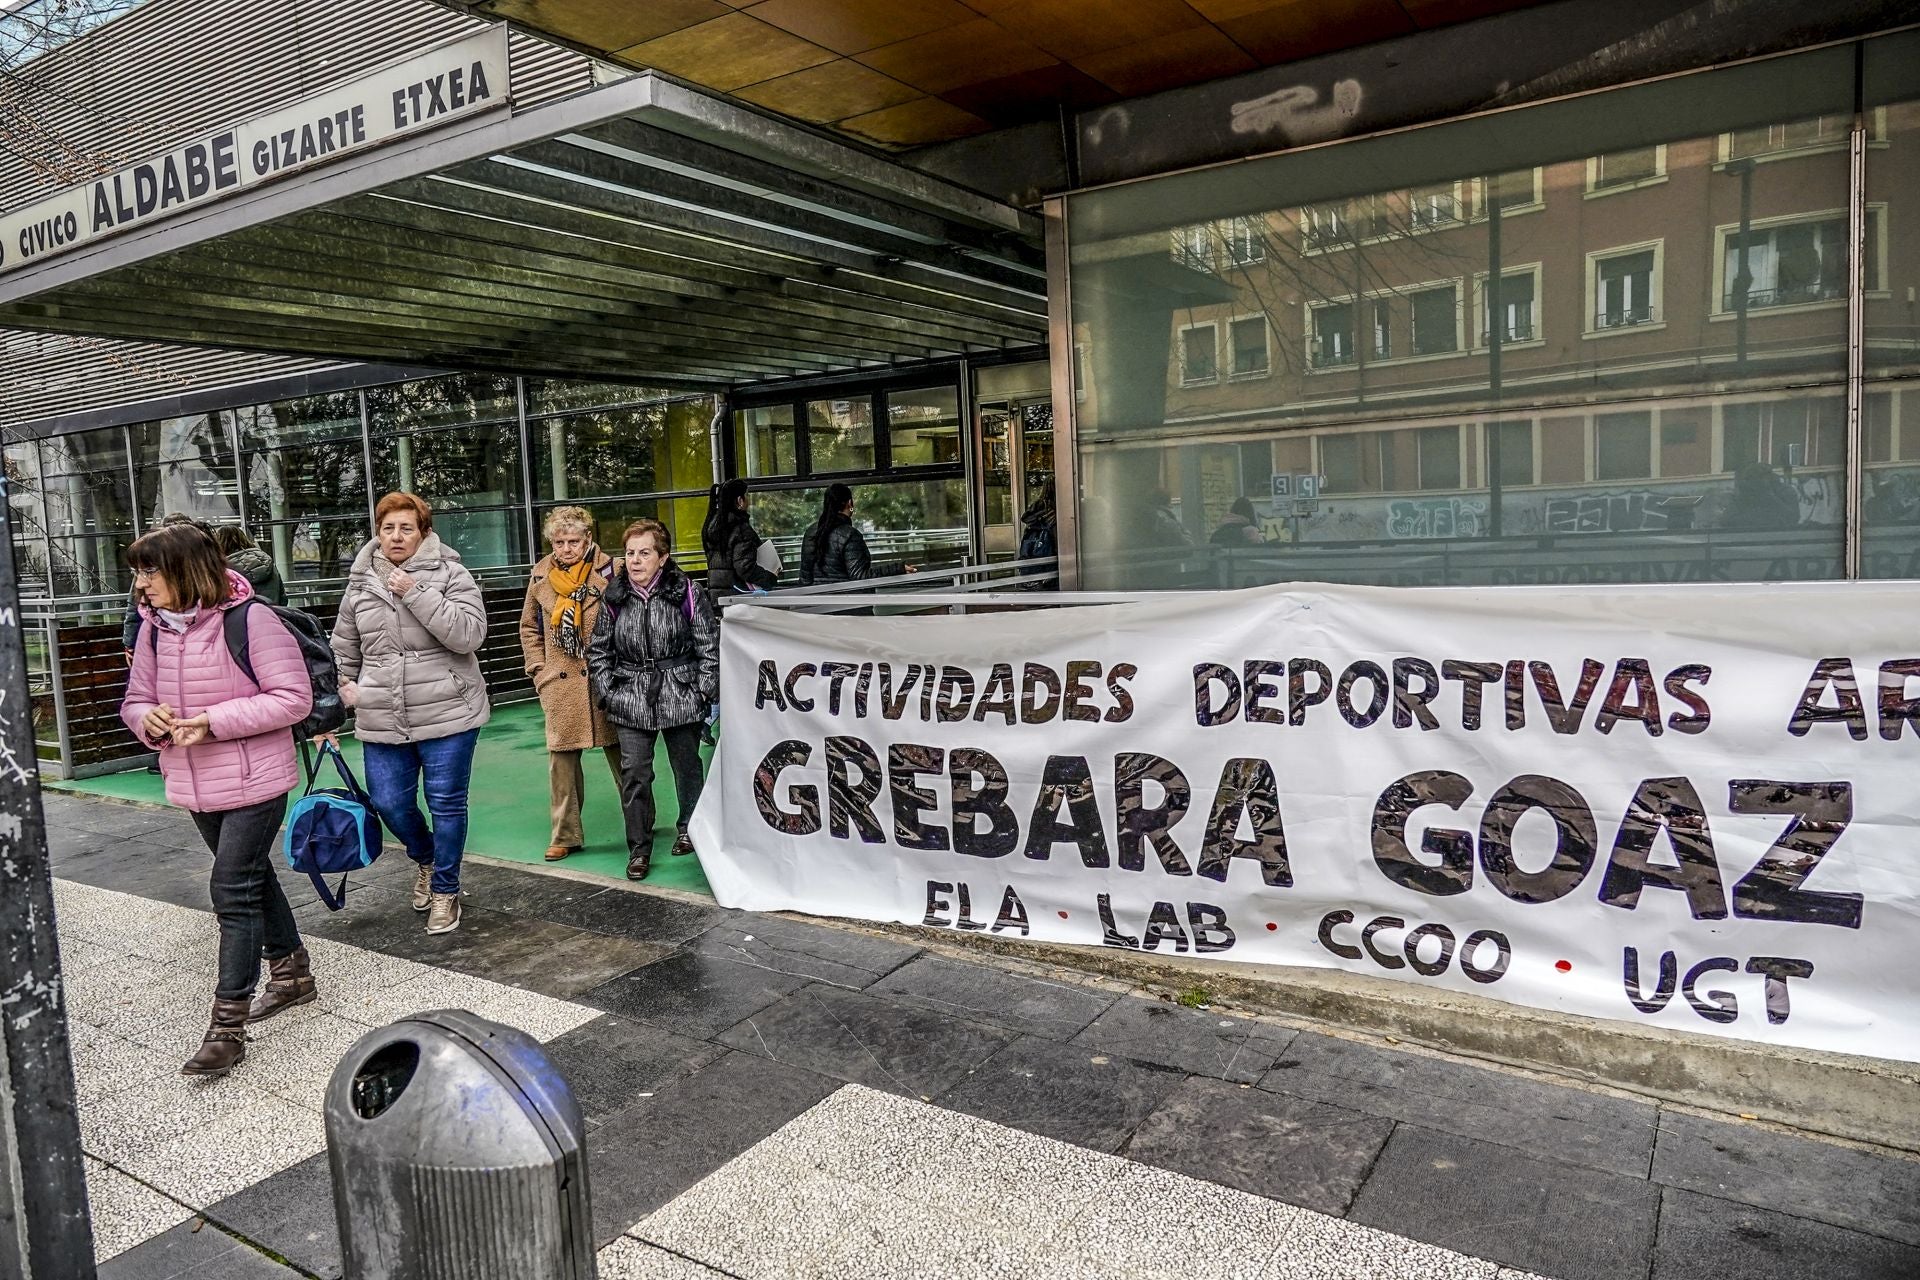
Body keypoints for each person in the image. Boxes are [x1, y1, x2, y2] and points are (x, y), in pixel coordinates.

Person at [118, 523, 315, 1077]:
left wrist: (211, 723)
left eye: (148, 571)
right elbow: (136, 699)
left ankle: (226, 1028)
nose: (140, 584)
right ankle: (292, 972)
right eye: (137, 571)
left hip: (256, 778)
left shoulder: (251, 619)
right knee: (252, 877)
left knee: (231, 888)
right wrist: (147, 721)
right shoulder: (155, 630)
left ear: (185, 570)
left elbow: (293, 699)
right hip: (194, 781)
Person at [330, 492, 489, 934]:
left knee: (446, 804)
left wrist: (415, 592)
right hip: (382, 711)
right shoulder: (360, 584)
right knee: (389, 802)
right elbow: (344, 646)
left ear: (423, 533)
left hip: (448, 711)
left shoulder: (451, 574)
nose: (396, 536)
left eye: (406, 528)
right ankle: (427, 857)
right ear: (377, 533)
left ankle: (445, 890)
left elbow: (469, 636)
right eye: (388, 528)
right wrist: (343, 683)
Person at [588, 518, 719, 882]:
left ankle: (689, 828)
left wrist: (703, 689)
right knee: (635, 774)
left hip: (680, 689)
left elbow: (708, 644)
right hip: (629, 694)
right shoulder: (614, 595)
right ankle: (639, 848)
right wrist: (609, 693)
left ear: (662, 557)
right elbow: (598, 651)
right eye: (630, 553)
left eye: (644, 553)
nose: (635, 560)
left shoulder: (686, 591)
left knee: (687, 766)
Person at [519, 506, 621, 863]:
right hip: (560, 684)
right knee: (561, 765)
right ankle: (565, 834)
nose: (565, 548)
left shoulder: (612, 571)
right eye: (559, 542)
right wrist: (539, 671)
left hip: (606, 680)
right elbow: (529, 628)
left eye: (573, 541)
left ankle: (641, 822)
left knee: (628, 759)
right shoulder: (540, 577)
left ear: (588, 539)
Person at [700, 478, 779, 594]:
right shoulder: (740, 530)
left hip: (718, 595)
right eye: (746, 496)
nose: (748, 501)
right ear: (740, 500)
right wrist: (770, 578)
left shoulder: (711, 526)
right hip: (738, 597)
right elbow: (745, 568)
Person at [799, 482, 873, 586]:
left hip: (815, 600)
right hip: (846, 600)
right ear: (850, 503)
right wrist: (897, 568)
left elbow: (804, 579)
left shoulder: (810, 532)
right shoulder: (850, 534)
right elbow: (860, 576)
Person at [211, 525, 287, 605]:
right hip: (273, 613)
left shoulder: (224, 570)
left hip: (243, 616)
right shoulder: (267, 561)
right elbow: (283, 598)